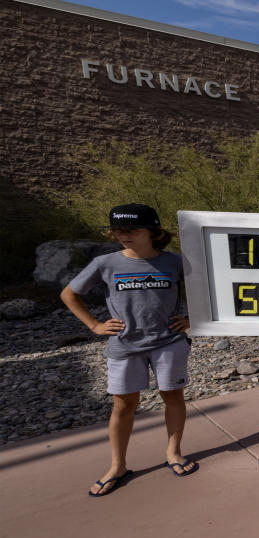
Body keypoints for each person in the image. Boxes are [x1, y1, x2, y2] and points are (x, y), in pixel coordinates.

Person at [61, 204, 194, 497]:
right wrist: (95, 325)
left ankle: (173, 453)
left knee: (172, 396)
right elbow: (69, 294)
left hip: (168, 342)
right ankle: (117, 466)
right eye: (118, 230)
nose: (123, 235)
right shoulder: (104, 263)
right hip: (124, 345)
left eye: (131, 230)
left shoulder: (174, 262)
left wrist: (192, 319)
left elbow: (207, 289)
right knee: (123, 405)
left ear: (153, 231)